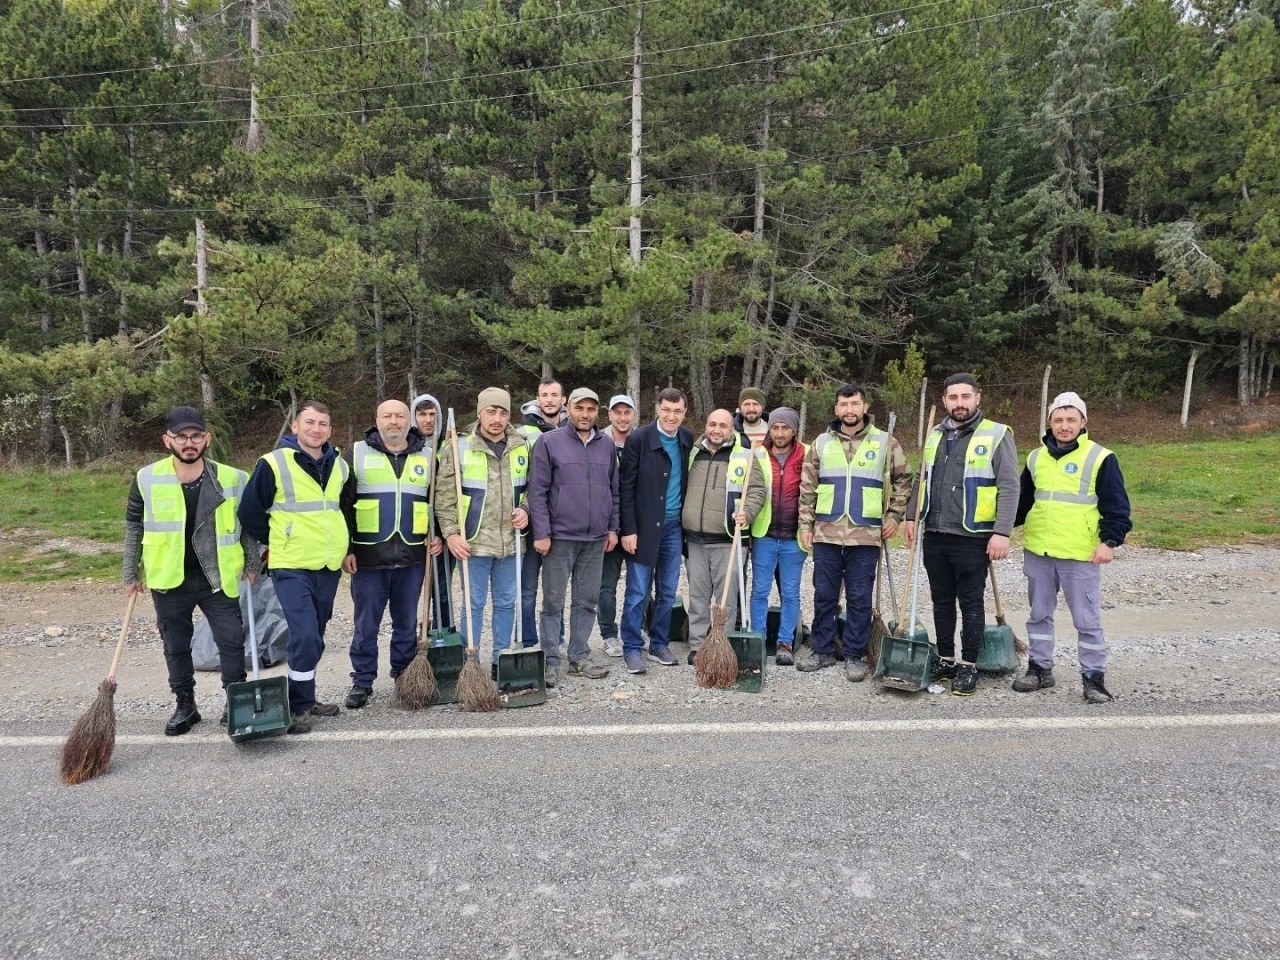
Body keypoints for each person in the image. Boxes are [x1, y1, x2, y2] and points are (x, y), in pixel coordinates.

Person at [123, 406, 261, 736]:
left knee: (231, 641)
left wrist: (252, 562)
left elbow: (246, 526)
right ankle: (185, 705)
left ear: (207, 439)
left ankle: (234, 702)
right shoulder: (146, 478)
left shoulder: (233, 478)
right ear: (167, 440)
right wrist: (130, 571)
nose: (189, 442)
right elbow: (134, 526)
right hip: (169, 578)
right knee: (175, 646)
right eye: (181, 436)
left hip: (218, 576)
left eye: (196, 436)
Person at [239, 401, 350, 734]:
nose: (316, 429)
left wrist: (347, 548)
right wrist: (277, 538)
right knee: (305, 634)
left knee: (314, 635)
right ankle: (299, 706)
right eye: (309, 422)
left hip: (328, 564)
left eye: (323, 424)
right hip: (290, 565)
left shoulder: (340, 465)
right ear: (295, 427)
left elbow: (344, 509)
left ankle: (305, 696)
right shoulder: (273, 463)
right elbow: (249, 512)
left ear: (330, 430)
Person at [1013, 392, 1132, 703]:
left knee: (1086, 620)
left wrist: (1110, 541)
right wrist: (995, 529)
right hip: (1039, 550)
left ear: (1083, 422)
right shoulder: (1036, 457)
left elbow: (1117, 506)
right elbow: (1022, 503)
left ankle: (1093, 678)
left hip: (1081, 553)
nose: (1064, 426)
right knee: (1039, 615)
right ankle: (1040, 668)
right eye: (1058, 420)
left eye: (1070, 420)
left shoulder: (1101, 457)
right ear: (1049, 423)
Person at [904, 373, 1018, 697]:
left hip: (972, 535)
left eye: (965, 396)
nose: (959, 403)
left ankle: (969, 665)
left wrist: (1002, 532)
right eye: (953, 397)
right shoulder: (935, 434)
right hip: (935, 532)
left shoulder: (996, 434)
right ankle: (946, 659)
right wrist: (912, 516)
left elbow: (1010, 486)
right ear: (944, 401)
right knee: (941, 601)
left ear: (977, 398)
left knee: (970, 602)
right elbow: (921, 478)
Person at [797, 386, 911, 680]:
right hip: (826, 532)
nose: (849, 410)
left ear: (865, 406)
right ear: (836, 409)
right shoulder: (821, 443)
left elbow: (903, 481)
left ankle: (854, 655)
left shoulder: (885, 442)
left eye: (855, 404)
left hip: (866, 534)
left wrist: (894, 516)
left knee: (860, 598)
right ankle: (822, 650)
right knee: (824, 595)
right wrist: (806, 526)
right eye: (844, 404)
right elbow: (807, 488)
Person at [339, 400, 443, 709]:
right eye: (388, 416)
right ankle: (362, 681)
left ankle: (403, 677)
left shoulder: (428, 455)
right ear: (377, 419)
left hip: (412, 557)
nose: (394, 421)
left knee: (406, 624)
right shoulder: (356, 453)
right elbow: (342, 504)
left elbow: (437, 501)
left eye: (400, 416)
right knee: (366, 625)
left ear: (409, 420)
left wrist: (436, 534)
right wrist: (347, 549)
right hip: (369, 558)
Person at [435, 388, 531, 679]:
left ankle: (501, 661)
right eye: (491, 411)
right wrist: (451, 534)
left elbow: (533, 489)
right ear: (479, 413)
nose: (497, 418)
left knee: (506, 603)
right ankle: (471, 664)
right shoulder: (459, 447)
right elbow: (444, 497)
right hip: (473, 543)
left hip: (510, 543)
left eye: (503, 412)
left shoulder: (522, 446)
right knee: (473, 605)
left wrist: (526, 509)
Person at [527, 388, 619, 683]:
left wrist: (612, 528)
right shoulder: (549, 442)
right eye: (580, 408)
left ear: (597, 413)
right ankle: (551, 660)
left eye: (591, 409)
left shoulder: (606, 445)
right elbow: (537, 492)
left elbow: (614, 491)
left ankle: (579, 657)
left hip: (595, 539)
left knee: (587, 601)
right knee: (553, 602)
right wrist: (542, 532)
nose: (585, 414)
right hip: (560, 538)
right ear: (569, 409)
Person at [618, 387, 694, 674]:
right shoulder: (639, 439)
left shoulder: (686, 438)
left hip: (674, 527)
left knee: (668, 590)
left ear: (684, 413)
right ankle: (631, 647)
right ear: (657, 409)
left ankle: (659, 644)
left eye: (677, 411)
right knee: (638, 590)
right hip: (644, 527)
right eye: (666, 410)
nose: (671, 416)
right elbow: (625, 487)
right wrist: (628, 529)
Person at [683, 409, 767, 663]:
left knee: (726, 600)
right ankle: (698, 644)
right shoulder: (693, 453)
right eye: (712, 424)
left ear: (731, 429)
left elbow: (757, 491)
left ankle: (723, 644)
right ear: (706, 426)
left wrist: (747, 513)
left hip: (727, 540)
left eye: (722, 425)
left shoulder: (744, 454)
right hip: (695, 540)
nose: (716, 430)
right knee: (697, 597)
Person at [748, 406, 808, 667]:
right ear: (769, 429)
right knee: (759, 590)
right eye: (775, 427)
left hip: (794, 537)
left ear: (794, 430)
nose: (780, 433)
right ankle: (758, 639)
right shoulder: (758, 454)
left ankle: (785, 643)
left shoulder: (807, 454)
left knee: (791, 592)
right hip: (765, 535)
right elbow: (751, 491)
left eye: (785, 427)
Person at [517, 377, 566, 654]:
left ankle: (556, 639)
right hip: (533, 521)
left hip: (562, 522)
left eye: (554, 395)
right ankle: (528, 641)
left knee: (556, 588)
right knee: (528, 588)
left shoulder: (572, 430)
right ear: (537, 399)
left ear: (563, 400)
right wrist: (526, 508)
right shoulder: (523, 433)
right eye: (544, 395)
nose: (549, 400)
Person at [597, 394, 636, 657]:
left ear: (633, 414)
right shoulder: (598, 442)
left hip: (634, 525)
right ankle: (609, 635)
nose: (622, 418)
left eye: (627, 412)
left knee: (639, 584)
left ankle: (636, 629)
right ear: (609, 414)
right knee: (606, 585)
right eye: (617, 412)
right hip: (607, 525)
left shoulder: (642, 441)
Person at [412, 393, 453, 631]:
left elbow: (449, 496)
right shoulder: (407, 449)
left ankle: (441, 633)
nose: (428, 420)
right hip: (413, 532)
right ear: (414, 417)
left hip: (442, 531)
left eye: (433, 415)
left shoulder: (448, 448)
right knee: (410, 590)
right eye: (422, 414)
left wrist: (440, 534)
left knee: (442, 590)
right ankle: (411, 638)